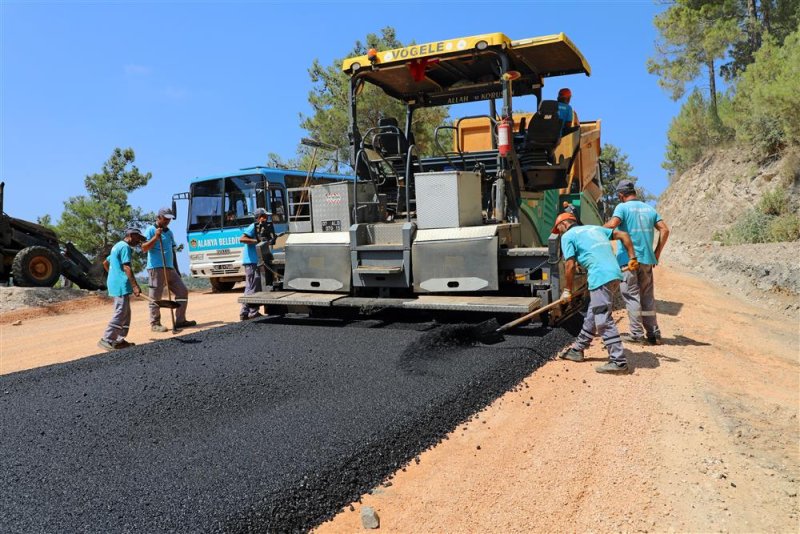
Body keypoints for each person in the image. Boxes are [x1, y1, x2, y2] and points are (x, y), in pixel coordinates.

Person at [554, 212, 640, 375]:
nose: (561, 233)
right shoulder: (595, 229)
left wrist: (567, 290)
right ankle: (578, 349)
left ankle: (618, 361)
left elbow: (570, 265)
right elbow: (623, 234)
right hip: (614, 274)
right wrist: (632, 257)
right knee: (593, 313)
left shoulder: (568, 236)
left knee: (602, 319)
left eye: (559, 229)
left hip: (600, 276)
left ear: (564, 224)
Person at [604, 179, 670, 345]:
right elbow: (665, 229)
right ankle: (653, 334)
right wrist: (657, 252)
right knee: (647, 296)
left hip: (628, 261)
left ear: (620, 195)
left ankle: (637, 334)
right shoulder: (649, 209)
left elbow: (612, 225)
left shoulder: (622, 207)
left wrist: (595, 231)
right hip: (647, 260)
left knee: (632, 296)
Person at [141, 207, 195, 332]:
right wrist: (155, 237)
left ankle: (180, 320)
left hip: (170, 268)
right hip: (156, 268)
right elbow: (144, 248)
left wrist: (176, 269)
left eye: (169, 219)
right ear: (158, 217)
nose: (167, 221)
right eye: (165, 219)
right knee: (155, 297)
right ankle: (155, 323)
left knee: (182, 292)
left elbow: (172, 251)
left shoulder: (169, 233)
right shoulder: (150, 230)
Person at [98, 227, 145, 351]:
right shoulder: (125, 247)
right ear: (130, 235)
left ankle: (119, 340)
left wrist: (113, 274)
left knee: (126, 313)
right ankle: (107, 339)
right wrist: (135, 286)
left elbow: (105, 263)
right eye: (137, 237)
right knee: (120, 312)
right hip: (120, 284)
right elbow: (127, 267)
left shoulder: (117, 246)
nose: (138, 240)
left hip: (116, 282)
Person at [238, 208, 274, 321]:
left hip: (255, 261)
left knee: (251, 286)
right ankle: (252, 312)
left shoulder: (262, 227)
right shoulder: (253, 226)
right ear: (259, 217)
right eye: (264, 216)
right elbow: (242, 239)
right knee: (254, 286)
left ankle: (244, 312)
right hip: (252, 261)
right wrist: (257, 241)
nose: (267, 218)